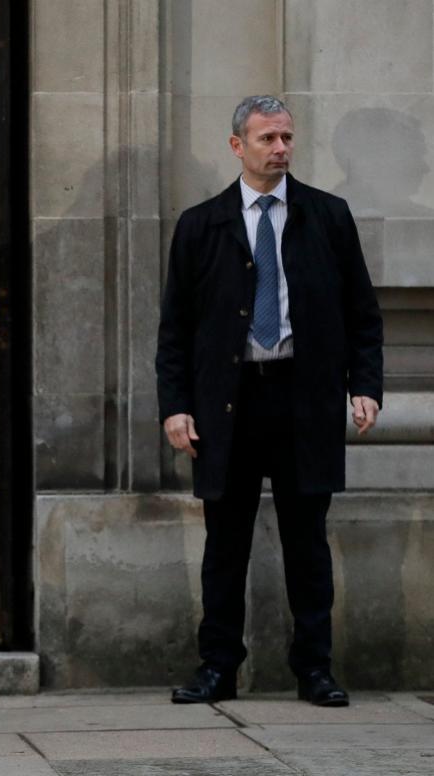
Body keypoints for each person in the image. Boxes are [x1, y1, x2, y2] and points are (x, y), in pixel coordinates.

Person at [156, 95, 384, 707]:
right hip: (226, 404)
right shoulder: (201, 224)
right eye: (267, 139)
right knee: (223, 545)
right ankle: (217, 668)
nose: (280, 148)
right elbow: (175, 328)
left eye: (286, 137)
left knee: (306, 542)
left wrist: (364, 386)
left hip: (302, 399)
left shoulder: (327, 216)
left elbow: (362, 314)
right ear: (238, 146)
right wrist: (175, 405)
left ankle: (315, 669)